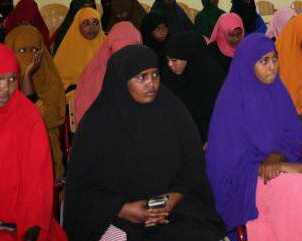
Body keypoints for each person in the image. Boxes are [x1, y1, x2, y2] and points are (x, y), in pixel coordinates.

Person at [64, 45, 226, 241]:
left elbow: (192, 169)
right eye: (142, 77)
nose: (152, 84)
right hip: (114, 215)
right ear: (122, 81)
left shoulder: (171, 110)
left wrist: (171, 199)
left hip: (171, 209)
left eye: (155, 75)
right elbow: (81, 191)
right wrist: (122, 209)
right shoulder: (96, 126)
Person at [206, 33, 302, 241]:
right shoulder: (231, 103)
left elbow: (291, 137)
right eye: (264, 61)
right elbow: (225, 167)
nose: (272, 67)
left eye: (275, 59)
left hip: (278, 173)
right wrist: (269, 167)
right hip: (246, 185)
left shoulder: (278, 93)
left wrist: (277, 157)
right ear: (248, 64)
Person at [0, 41, 67, 241]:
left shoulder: (28, 117)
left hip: (17, 227)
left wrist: (30, 227)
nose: (6, 88)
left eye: (12, 79)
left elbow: (36, 184)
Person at [4, 25, 67, 179]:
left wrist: (27, 78)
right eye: (22, 51)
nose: (30, 56)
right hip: (11, 157)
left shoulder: (50, 79)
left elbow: (43, 120)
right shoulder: (2, 84)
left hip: (46, 155)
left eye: (34, 50)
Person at [73, 21, 142, 126]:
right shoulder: (93, 76)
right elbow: (86, 121)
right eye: (118, 53)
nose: (123, 59)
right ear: (108, 49)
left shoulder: (147, 74)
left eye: (130, 53)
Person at [163, 30, 226, 143]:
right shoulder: (168, 76)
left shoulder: (213, 77)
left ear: (190, 57)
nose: (170, 64)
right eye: (167, 60)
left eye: (174, 60)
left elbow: (222, 114)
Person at [54, 7, 105, 93]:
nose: (92, 28)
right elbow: (58, 83)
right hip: (73, 94)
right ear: (78, 26)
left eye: (95, 23)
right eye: (86, 24)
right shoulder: (67, 49)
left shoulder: (107, 45)